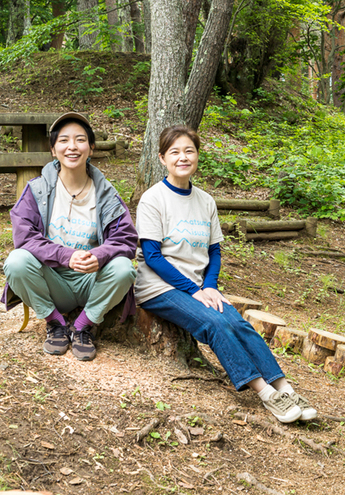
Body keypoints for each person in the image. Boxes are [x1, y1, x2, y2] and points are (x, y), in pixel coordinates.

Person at [134, 125, 317, 424]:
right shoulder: (153, 199)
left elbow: (214, 251)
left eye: (189, 151)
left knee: (236, 321)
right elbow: (153, 256)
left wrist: (209, 285)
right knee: (214, 322)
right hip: (159, 287)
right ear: (162, 158)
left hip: (197, 286)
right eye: (175, 152)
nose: (183, 157)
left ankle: (285, 388)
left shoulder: (205, 201)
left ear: (197, 155)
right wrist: (194, 290)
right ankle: (266, 395)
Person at [3, 112, 138, 361]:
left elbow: (126, 240)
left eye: (80, 140)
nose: (72, 147)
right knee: (16, 261)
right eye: (64, 140)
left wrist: (99, 255)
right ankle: (55, 323)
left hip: (92, 282)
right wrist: (66, 256)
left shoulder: (107, 194)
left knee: (123, 268)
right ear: (53, 149)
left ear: (91, 148)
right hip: (51, 280)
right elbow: (24, 237)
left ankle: (83, 325)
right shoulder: (37, 190)